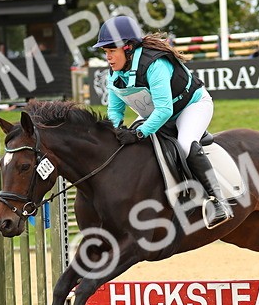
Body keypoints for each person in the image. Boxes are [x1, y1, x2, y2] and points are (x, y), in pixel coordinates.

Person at [94, 15, 232, 228]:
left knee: (185, 144)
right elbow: (114, 111)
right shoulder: (114, 74)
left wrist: (139, 133)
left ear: (128, 48)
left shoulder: (154, 64)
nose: (109, 58)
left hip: (191, 106)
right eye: (106, 52)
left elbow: (165, 110)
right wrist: (113, 132)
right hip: (156, 113)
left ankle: (218, 201)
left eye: (112, 51)